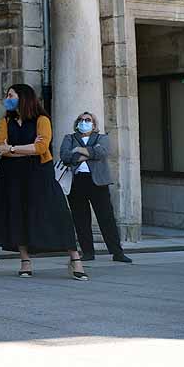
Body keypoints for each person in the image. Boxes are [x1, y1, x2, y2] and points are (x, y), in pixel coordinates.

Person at [0, 84, 88, 280]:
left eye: (11, 95)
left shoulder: (41, 119)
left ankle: (74, 257)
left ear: (23, 97)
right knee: (18, 214)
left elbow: (41, 147)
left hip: (39, 173)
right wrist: (18, 149)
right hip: (13, 175)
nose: (7, 98)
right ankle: (25, 260)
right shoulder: (6, 121)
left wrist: (12, 149)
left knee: (57, 211)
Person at [60, 112, 132, 263]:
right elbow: (65, 156)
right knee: (80, 218)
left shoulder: (102, 138)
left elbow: (102, 152)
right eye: (80, 119)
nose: (83, 122)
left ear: (94, 124)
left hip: (97, 182)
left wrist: (78, 150)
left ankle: (117, 252)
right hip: (77, 181)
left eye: (87, 120)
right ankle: (87, 252)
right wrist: (90, 153)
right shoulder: (69, 138)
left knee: (106, 218)